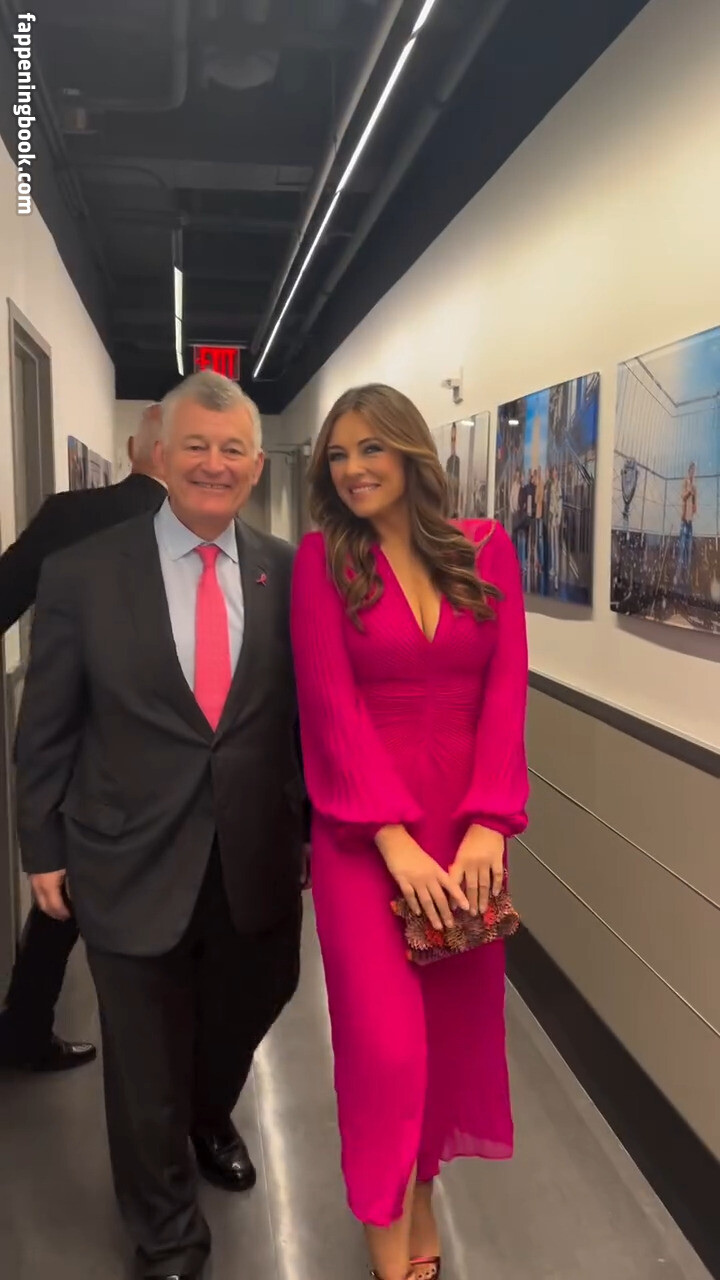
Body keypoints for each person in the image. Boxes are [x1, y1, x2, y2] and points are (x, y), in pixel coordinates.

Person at [14, 370, 306, 1280]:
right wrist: (41, 845)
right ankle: (169, 1233)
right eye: (196, 446)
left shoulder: (289, 573)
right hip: (125, 852)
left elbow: (308, 716)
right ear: (158, 455)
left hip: (254, 854)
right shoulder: (82, 572)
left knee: (255, 1000)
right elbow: (47, 723)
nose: (214, 465)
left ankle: (208, 1112)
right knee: (142, 1057)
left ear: (255, 466)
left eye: (232, 450)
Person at [291, 384, 529, 1280]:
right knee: (385, 1053)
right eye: (338, 456)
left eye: (371, 450)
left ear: (410, 453)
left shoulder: (486, 550)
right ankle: (392, 1261)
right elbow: (329, 707)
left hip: (464, 837)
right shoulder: (324, 561)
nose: (353, 470)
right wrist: (392, 842)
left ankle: (420, 1197)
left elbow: (508, 686)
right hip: (365, 840)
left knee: (447, 1043)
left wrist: (489, 824)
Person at [0, 405, 165, 1072]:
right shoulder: (203, 526)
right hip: (171, 748)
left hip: (75, 744)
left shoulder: (68, 515)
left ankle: (25, 1025)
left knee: (63, 887)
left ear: (131, 447)